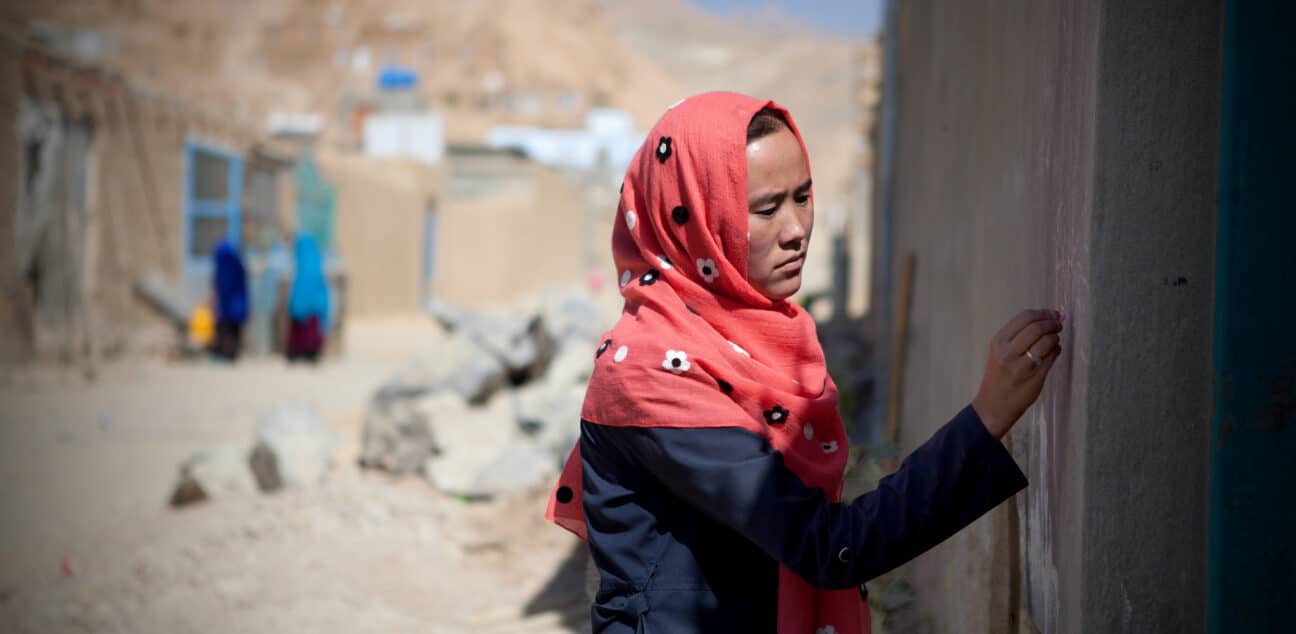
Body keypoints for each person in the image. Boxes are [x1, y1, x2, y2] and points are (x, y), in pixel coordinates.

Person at [545, 92, 1063, 634]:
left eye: (803, 196)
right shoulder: (652, 374)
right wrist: (986, 420)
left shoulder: (752, 341)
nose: (796, 230)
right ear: (696, 218)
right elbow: (828, 546)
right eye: (767, 209)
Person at [285, 233, 330, 363]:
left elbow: (303, 287)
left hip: (305, 308)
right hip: (314, 308)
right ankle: (308, 352)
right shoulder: (315, 260)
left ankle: (303, 352)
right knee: (310, 331)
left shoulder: (304, 261)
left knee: (306, 331)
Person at [210, 239, 248, 361]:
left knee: (225, 328)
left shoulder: (224, 265)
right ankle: (231, 353)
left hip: (228, 304)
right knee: (233, 329)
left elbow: (222, 285)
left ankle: (225, 353)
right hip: (237, 303)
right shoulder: (237, 263)